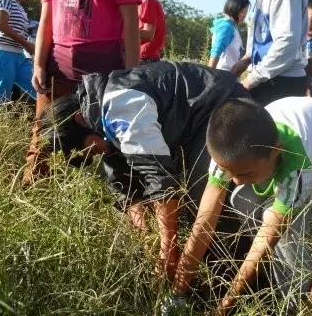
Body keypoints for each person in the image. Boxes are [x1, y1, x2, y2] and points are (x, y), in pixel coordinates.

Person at [36, 60, 250, 282]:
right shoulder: (97, 116)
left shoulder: (119, 105)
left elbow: (161, 181)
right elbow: (123, 184)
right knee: (182, 207)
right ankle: (204, 262)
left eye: (87, 150)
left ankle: (230, 270)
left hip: (222, 105)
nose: (95, 155)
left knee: (202, 196)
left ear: (79, 120)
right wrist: (148, 238)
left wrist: (167, 253)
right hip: (191, 123)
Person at [169, 97, 312, 315]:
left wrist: (224, 307)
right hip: (281, 153)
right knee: (240, 197)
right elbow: (203, 226)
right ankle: (265, 266)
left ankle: (293, 302)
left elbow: (268, 238)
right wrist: (177, 293)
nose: (235, 180)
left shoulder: (298, 164)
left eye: (245, 173)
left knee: (287, 237)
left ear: (276, 151)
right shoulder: (229, 148)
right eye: (231, 173)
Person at [24, 0, 141, 183]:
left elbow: (131, 22)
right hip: (57, 73)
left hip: (103, 78)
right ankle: (34, 191)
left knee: (110, 145)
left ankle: (123, 201)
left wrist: (130, 77)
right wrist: (38, 64)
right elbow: (46, 21)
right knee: (43, 139)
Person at [230, 0, 309, 106]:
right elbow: (261, 34)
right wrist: (246, 60)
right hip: (268, 77)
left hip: (282, 82)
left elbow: (286, 43)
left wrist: (251, 80)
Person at [0, 0, 40, 101]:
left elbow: (25, 30)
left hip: (20, 56)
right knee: (1, 97)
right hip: (4, 54)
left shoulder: (20, 7)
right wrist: (26, 44)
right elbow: (1, 24)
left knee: (38, 88)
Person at [208, 0, 250, 71]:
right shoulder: (227, 27)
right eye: (243, 11)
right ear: (234, 8)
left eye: (246, 12)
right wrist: (209, 77)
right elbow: (216, 51)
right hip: (221, 74)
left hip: (228, 75)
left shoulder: (233, 27)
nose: (245, 15)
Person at [136, 0, 166, 64]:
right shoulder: (140, 5)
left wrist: (119, 32)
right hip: (143, 58)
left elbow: (149, 34)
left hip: (145, 59)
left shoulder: (148, 2)